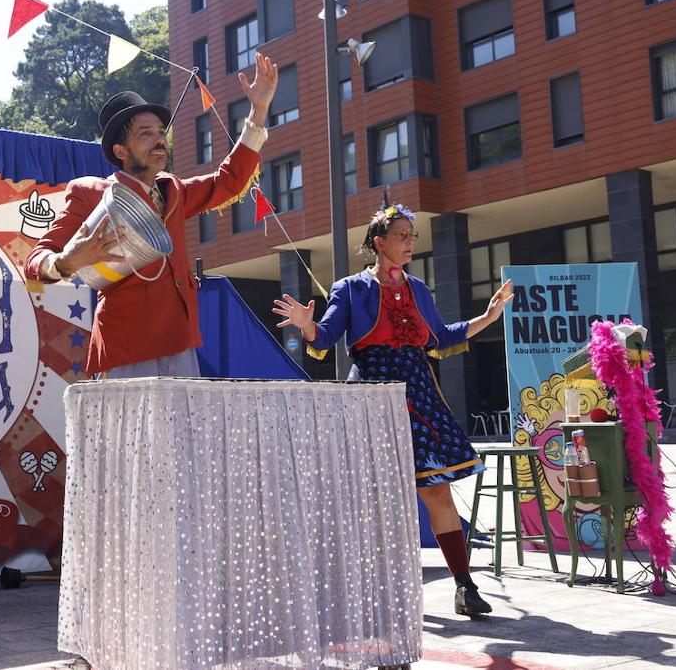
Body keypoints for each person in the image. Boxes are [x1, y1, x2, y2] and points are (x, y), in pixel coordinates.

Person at [272, 203, 513, 618]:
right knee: (374, 496)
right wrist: (306, 324)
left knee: (437, 490)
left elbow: (439, 336)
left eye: (413, 237)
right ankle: (370, 586)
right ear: (379, 243)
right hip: (372, 393)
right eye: (403, 235)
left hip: (419, 391)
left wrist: (488, 317)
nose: (411, 243)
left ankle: (464, 586)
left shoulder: (419, 288)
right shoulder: (350, 288)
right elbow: (325, 338)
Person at [25, 53, 279, 378]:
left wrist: (258, 112)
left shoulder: (173, 189)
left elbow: (227, 181)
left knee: (182, 430)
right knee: (131, 431)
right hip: (127, 345)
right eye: (146, 133)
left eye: (161, 132)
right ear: (121, 151)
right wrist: (65, 263)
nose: (160, 139)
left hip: (181, 340)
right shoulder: (90, 193)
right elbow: (35, 261)